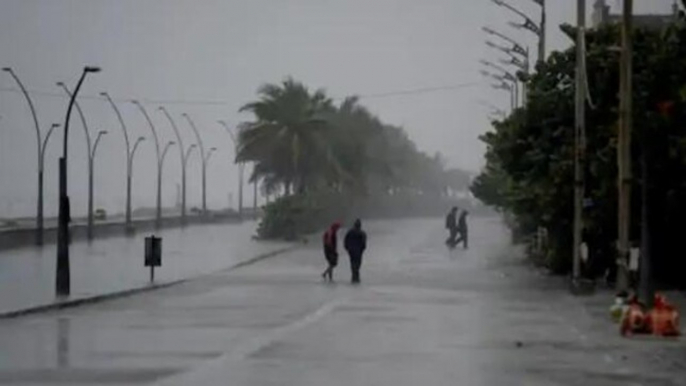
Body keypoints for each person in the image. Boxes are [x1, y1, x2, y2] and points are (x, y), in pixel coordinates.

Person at [344, 219, 367, 284]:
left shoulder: (349, 232)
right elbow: (364, 244)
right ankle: (356, 277)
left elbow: (345, 240)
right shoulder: (362, 233)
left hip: (351, 251)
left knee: (352, 263)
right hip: (358, 251)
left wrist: (347, 248)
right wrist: (362, 250)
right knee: (358, 264)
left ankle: (354, 277)